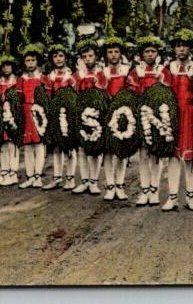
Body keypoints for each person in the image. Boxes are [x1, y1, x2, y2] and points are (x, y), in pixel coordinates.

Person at [127, 36, 172, 206]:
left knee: (156, 155)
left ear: (158, 53)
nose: (150, 54)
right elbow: (131, 93)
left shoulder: (163, 71)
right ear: (141, 54)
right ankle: (144, 190)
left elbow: (167, 95)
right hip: (141, 116)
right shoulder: (136, 72)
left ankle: (155, 190)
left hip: (158, 118)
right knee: (143, 155)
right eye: (147, 51)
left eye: (153, 51)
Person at [163, 29, 193, 212]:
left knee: (190, 157)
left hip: (190, 114)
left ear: (190, 48)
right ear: (174, 49)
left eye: (185, 46)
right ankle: (172, 197)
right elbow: (161, 96)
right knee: (173, 157)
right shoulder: (168, 68)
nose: (181, 49)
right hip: (172, 115)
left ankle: (191, 197)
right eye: (178, 46)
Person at [71, 39, 107, 195]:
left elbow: (104, 93)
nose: (88, 59)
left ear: (96, 56)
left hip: (96, 114)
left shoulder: (102, 73)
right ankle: (84, 180)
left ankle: (94, 181)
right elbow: (73, 93)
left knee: (95, 147)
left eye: (90, 56)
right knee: (81, 148)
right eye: (84, 56)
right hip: (81, 113)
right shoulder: (77, 74)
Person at [41, 44, 76, 190]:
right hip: (55, 113)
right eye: (55, 56)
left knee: (70, 147)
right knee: (56, 147)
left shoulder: (72, 76)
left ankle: (71, 178)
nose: (58, 59)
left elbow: (76, 96)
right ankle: (56, 178)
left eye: (61, 56)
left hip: (69, 114)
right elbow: (47, 95)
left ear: (66, 58)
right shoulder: (50, 76)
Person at [101, 36, 132, 202]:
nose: (113, 55)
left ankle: (120, 185)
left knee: (121, 149)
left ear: (121, 53)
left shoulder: (127, 70)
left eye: (116, 52)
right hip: (106, 113)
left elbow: (130, 91)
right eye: (110, 52)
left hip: (122, 113)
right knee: (108, 151)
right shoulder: (102, 72)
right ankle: (110, 185)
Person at [16, 44, 47, 189]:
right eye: (27, 61)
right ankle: (29, 175)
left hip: (39, 113)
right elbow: (18, 98)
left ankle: (38, 175)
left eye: (33, 60)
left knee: (39, 144)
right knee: (28, 146)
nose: (30, 64)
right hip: (25, 112)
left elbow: (47, 97)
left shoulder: (42, 78)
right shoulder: (21, 80)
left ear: (37, 61)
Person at [0, 54, 19, 186]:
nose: (6, 68)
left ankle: (13, 173)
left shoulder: (17, 81)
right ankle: (4, 172)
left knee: (12, 144)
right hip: (1, 115)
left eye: (8, 65)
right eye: (3, 66)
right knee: (2, 144)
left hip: (13, 114)